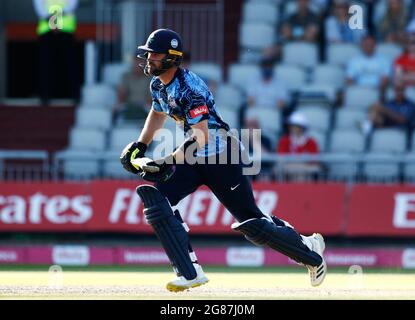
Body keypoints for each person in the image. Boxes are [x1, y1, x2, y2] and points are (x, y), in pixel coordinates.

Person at [119, 29, 327, 292]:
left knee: (252, 223)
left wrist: (168, 160)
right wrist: (141, 145)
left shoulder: (190, 89)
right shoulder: (158, 83)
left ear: (172, 58)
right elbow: (157, 113)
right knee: (157, 202)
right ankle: (189, 272)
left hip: (221, 155)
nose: (149, 59)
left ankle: (311, 253)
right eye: (148, 54)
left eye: (155, 54)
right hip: (194, 155)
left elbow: (202, 136)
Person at [33, 0, 79, 104]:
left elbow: (72, 5)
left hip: (66, 30)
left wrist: (54, 19)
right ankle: (45, 96)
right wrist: (55, 21)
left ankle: (74, 95)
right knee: (45, 65)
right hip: (46, 30)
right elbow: (39, 9)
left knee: (70, 64)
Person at [276, 112, 322, 179]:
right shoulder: (284, 140)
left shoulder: (311, 142)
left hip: (305, 170)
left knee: (305, 172)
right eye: (292, 126)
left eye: (296, 126)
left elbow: (314, 161)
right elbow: (281, 157)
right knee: (278, 169)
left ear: (303, 127)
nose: (293, 128)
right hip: (288, 168)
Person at [114, 56, 151, 123]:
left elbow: (150, 98)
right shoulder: (126, 76)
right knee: (116, 109)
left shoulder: (150, 78)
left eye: (141, 62)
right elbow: (121, 96)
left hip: (145, 108)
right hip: (128, 106)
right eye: (136, 62)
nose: (138, 64)